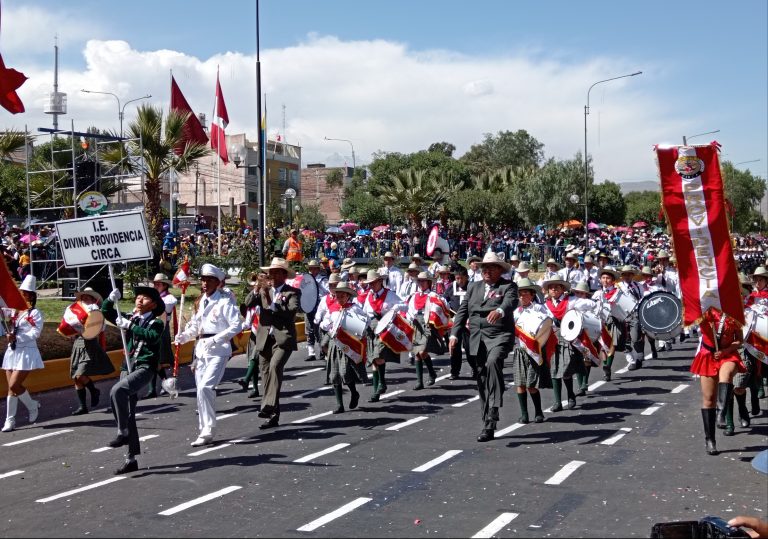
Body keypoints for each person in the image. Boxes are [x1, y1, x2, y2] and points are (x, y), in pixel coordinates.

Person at [449, 252, 518, 443]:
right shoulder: (473, 287)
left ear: (500, 270)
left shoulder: (508, 286)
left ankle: (494, 409)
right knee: (481, 378)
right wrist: (454, 334)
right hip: (476, 338)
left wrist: (499, 310)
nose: (486, 271)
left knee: (494, 361)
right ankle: (488, 423)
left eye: (491, 267)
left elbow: (511, 302)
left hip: (499, 336)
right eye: (484, 268)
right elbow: (463, 311)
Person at [174, 263, 242, 445]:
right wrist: (184, 336)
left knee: (206, 387)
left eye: (208, 280)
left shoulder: (224, 301)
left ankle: (209, 428)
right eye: (203, 280)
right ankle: (204, 428)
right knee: (201, 391)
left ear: (217, 282)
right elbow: (196, 325)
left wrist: (216, 339)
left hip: (218, 350)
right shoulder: (202, 300)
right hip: (201, 349)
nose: (204, 283)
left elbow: (236, 325)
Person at [102, 285, 165, 474]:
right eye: (138, 297)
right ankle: (131, 459)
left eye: (145, 298)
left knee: (117, 391)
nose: (139, 300)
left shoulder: (156, 322)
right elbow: (106, 311)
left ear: (153, 305)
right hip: (127, 366)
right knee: (127, 412)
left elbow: (152, 337)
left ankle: (122, 432)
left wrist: (130, 326)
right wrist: (110, 299)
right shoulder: (130, 317)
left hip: (144, 367)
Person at [247, 257, 300, 429]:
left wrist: (275, 306)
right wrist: (256, 289)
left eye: (277, 272)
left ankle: (267, 406)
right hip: (264, 339)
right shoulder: (264, 290)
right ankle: (273, 415)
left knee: (275, 367)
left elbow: (292, 311)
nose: (273, 275)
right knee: (267, 375)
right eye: (271, 272)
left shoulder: (292, 292)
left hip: (283, 338)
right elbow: (247, 303)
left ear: (284, 275)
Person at [691, 306, 745, 455]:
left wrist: (725, 351)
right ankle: (710, 440)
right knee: (709, 399)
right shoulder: (704, 311)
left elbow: (739, 340)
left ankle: (721, 413)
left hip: (727, 355)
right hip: (708, 355)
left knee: (726, 376)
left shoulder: (733, 311)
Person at [1, 275, 43, 432]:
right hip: (12, 351)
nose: (22, 295)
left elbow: (35, 333)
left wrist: (17, 336)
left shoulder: (35, 313)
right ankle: (10, 421)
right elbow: (3, 316)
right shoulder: (14, 311)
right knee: (11, 389)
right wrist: (9, 335)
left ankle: (32, 405)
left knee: (14, 384)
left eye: (25, 293)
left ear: (31, 295)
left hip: (27, 351)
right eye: (21, 292)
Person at [511, 278, 551, 424]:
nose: (522, 296)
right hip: (520, 351)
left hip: (533, 350)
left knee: (531, 385)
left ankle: (539, 412)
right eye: (520, 294)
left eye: (525, 293)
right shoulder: (515, 312)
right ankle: (524, 414)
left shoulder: (540, 309)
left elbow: (548, 325)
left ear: (532, 294)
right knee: (520, 384)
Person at [68, 288, 115, 415]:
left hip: (90, 343)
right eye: (83, 298)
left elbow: (101, 327)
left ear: (93, 300)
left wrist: (90, 319)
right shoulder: (74, 311)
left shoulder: (96, 312)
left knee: (80, 374)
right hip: (77, 343)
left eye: (88, 298)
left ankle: (94, 390)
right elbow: (69, 326)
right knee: (76, 378)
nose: (85, 300)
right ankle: (83, 406)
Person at [542, 277, 586, 411]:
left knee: (566, 368)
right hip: (552, 339)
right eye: (551, 287)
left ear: (563, 289)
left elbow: (588, 305)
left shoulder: (571, 301)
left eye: (557, 287)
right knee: (554, 370)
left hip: (568, 338)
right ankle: (557, 402)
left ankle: (571, 395)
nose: (554, 289)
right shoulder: (544, 305)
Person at [361, 270, 403, 402]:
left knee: (378, 355)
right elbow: (364, 312)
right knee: (373, 359)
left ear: (380, 281)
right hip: (371, 329)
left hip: (384, 328)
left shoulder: (389, 295)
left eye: (373, 283)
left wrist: (395, 308)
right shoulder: (369, 297)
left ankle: (382, 382)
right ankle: (376, 392)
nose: (371, 285)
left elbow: (404, 305)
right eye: (370, 283)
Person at [324, 282, 366, 413]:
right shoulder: (332, 308)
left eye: (342, 296)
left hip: (347, 344)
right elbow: (324, 322)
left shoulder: (354, 308)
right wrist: (328, 326)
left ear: (348, 296)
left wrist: (354, 325)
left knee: (345, 373)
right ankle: (339, 404)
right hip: (335, 343)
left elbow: (365, 323)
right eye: (337, 296)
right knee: (334, 374)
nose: (339, 298)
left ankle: (354, 392)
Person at [405, 272, 448, 389]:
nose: (421, 283)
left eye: (423, 281)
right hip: (415, 324)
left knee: (423, 351)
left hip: (427, 324)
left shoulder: (433, 295)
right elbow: (409, 309)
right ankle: (420, 381)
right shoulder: (414, 295)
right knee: (417, 353)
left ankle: (431, 373)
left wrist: (435, 311)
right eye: (419, 281)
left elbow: (444, 306)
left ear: (428, 282)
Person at [145, 273, 177, 398]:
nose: (156, 285)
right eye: (155, 283)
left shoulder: (169, 298)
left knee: (156, 359)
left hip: (161, 329)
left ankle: (156, 388)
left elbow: (164, 309)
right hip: (150, 328)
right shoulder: (153, 297)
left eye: (158, 284)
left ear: (164, 285)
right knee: (153, 359)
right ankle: (157, 387)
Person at [444, 267, 476, 380]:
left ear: (467, 277)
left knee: (469, 348)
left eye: (461, 278)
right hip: (455, 322)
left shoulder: (473, 287)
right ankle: (455, 371)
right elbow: (444, 301)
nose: (459, 281)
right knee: (454, 347)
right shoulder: (451, 288)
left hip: (469, 322)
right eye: (457, 278)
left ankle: (475, 368)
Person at [592, 266, 622, 381]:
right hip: (602, 321)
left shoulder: (618, 292)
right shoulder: (597, 293)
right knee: (603, 344)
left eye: (608, 278)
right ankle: (606, 365)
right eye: (603, 278)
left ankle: (608, 365)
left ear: (613, 280)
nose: (605, 280)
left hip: (614, 319)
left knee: (612, 343)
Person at [237, 272, 262, 398]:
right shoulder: (251, 305)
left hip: (264, 334)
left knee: (254, 358)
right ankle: (255, 389)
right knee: (251, 361)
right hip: (254, 333)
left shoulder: (264, 299)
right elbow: (247, 323)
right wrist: (237, 328)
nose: (254, 287)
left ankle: (246, 381)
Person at [315, 273, 342, 385]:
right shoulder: (325, 298)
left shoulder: (343, 298)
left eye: (334, 286)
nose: (332, 288)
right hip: (326, 328)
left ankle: (334, 376)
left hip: (338, 329)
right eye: (330, 286)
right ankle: (331, 363)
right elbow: (320, 311)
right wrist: (317, 319)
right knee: (323, 346)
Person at [618, 265, 645, 370]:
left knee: (635, 338)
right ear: (622, 276)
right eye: (625, 274)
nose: (627, 276)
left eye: (629, 274)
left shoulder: (638, 286)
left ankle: (639, 355)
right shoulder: (618, 286)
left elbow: (642, 298)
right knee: (624, 339)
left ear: (632, 275)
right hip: (623, 314)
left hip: (635, 313)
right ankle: (631, 361)